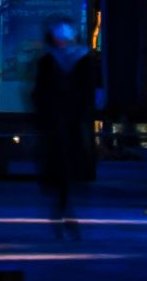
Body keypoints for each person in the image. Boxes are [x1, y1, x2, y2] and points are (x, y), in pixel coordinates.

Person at [32, 17, 101, 240]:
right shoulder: (70, 60)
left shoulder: (55, 60)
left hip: (65, 123)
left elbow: (41, 93)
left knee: (63, 170)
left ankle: (63, 211)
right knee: (63, 170)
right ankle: (65, 211)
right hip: (63, 123)